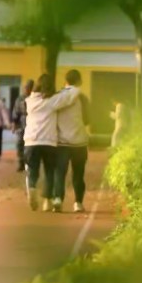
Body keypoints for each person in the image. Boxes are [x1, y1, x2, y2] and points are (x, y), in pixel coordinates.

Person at [22, 73, 81, 212]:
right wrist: (72, 86)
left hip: (31, 141)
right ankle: (47, 202)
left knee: (32, 170)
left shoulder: (29, 101)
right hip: (48, 142)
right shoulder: (52, 101)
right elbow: (71, 96)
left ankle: (31, 187)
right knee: (50, 172)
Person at [56, 69, 91, 213]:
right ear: (79, 81)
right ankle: (78, 203)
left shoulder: (58, 96)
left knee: (59, 172)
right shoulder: (82, 98)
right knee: (78, 174)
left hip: (61, 142)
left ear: (66, 81)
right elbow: (87, 119)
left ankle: (58, 199)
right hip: (79, 142)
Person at [12, 79, 33, 172]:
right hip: (21, 125)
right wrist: (14, 125)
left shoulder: (35, 98)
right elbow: (16, 112)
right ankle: (21, 163)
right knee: (19, 144)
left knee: (30, 146)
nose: (26, 89)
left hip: (33, 126)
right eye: (26, 87)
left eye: (28, 87)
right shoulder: (20, 98)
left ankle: (29, 163)